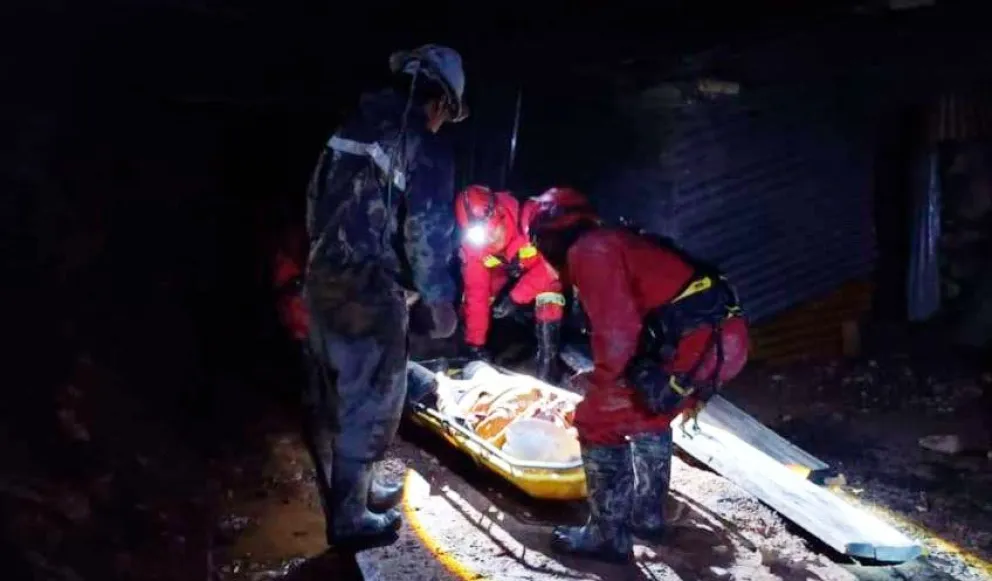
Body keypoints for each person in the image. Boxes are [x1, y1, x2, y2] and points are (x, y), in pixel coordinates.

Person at [526, 187, 750, 562]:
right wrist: (604, 376)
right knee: (650, 413)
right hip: (718, 340)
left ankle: (607, 536)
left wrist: (603, 383)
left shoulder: (590, 250)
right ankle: (646, 517)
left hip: (699, 344)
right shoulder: (611, 242)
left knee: (595, 420)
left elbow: (617, 330)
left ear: (549, 235)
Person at [303, 44, 466, 550]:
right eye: (447, 113)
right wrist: (439, 302)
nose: (443, 122)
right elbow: (426, 231)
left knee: (347, 389)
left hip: (323, 276)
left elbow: (314, 200)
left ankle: (363, 490)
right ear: (438, 101)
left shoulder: (351, 126)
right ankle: (350, 520)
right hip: (366, 288)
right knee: (372, 399)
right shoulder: (421, 141)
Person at [455, 184, 565, 381]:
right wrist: (475, 343)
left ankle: (548, 362)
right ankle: (486, 345)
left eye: (493, 231)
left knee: (550, 291)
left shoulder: (533, 218)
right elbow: (476, 291)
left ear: (500, 214)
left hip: (544, 272)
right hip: (510, 274)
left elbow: (552, 268)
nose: (490, 241)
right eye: (484, 237)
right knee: (475, 303)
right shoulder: (475, 245)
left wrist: (515, 298)